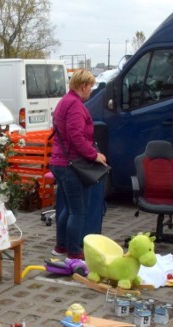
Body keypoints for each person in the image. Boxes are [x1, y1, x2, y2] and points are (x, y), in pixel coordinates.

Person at [49, 69, 108, 260]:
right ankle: (74, 253)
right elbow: (76, 136)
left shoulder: (63, 102)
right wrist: (94, 155)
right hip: (71, 165)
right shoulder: (75, 105)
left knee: (66, 208)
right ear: (83, 86)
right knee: (78, 211)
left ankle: (61, 246)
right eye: (90, 86)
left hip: (59, 162)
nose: (91, 90)